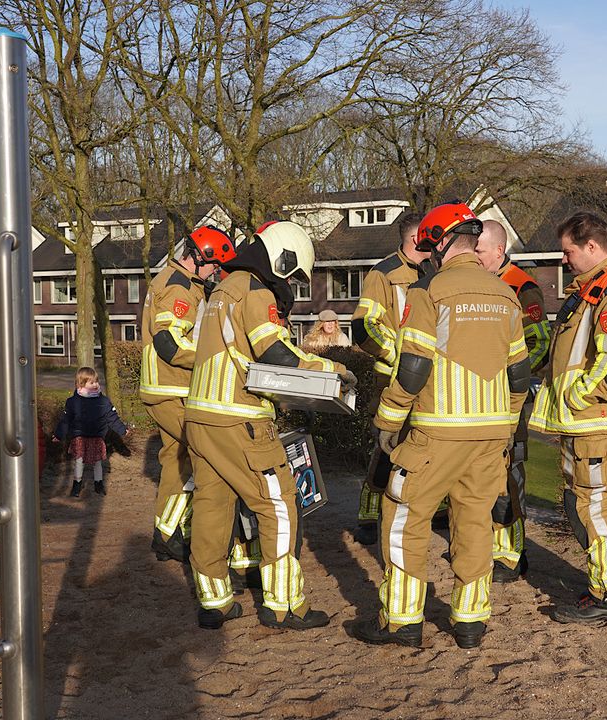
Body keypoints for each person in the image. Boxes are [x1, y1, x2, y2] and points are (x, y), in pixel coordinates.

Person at [351, 202, 531, 649]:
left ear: (442, 243)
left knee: (403, 517)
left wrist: (387, 420)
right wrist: (504, 426)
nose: (428, 255)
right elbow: (519, 376)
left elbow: (413, 367)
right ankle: (470, 621)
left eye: (431, 246)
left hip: (436, 433)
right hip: (491, 438)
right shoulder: (505, 295)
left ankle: (402, 620)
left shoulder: (428, 293)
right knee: (474, 522)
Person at [184, 220, 355, 631]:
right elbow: (276, 356)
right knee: (280, 503)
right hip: (240, 419)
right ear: (283, 256)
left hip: (201, 416)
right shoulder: (256, 291)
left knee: (212, 505)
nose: (292, 284)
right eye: (293, 274)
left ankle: (215, 602)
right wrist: (333, 367)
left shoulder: (222, 288)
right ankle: (283, 604)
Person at [528, 211, 607, 624]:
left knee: (592, 505)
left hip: (597, 420)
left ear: (592, 247)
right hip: (592, 419)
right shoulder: (596, 284)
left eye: (568, 252)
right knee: (606, 502)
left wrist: (581, 396)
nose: (564, 260)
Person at [143, 225, 257, 571]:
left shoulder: (174, 280)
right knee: (201, 455)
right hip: (172, 388)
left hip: (165, 387)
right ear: (199, 257)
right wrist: (213, 355)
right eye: (214, 266)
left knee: (176, 458)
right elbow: (169, 342)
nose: (215, 273)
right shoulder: (180, 288)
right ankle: (168, 534)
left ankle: (167, 531)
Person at [473, 219, 549, 583]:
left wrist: (508, 381)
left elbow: (540, 345)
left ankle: (511, 554)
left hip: (509, 399)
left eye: (479, 251)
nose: (473, 256)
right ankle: (484, 545)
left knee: (509, 476)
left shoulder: (522, 288)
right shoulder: (476, 283)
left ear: (499, 251)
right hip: (477, 400)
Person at [349, 211, 426, 545]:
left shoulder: (435, 272)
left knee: (422, 444)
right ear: (414, 240)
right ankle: (369, 511)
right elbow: (363, 326)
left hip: (428, 379)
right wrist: (396, 355)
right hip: (392, 379)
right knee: (386, 446)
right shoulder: (383, 274)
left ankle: (422, 507)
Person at [53, 366, 130, 498]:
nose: (95, 385)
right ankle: (77, 485)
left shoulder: (103, 401)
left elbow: (112, 418)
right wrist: (59, 434)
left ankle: (98, 484)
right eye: (91, 382)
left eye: (96, 381)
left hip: (96, 436)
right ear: (81, 384)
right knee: (79, 460)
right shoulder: (73, 402)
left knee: (98, 461)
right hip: (80, 436)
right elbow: (66, 420)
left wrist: (122, 430)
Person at [0, 420, 47, 499]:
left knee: (22, 497)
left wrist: (34, 476)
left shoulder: (28, 416)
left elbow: (38, 448)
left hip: (22, 475)